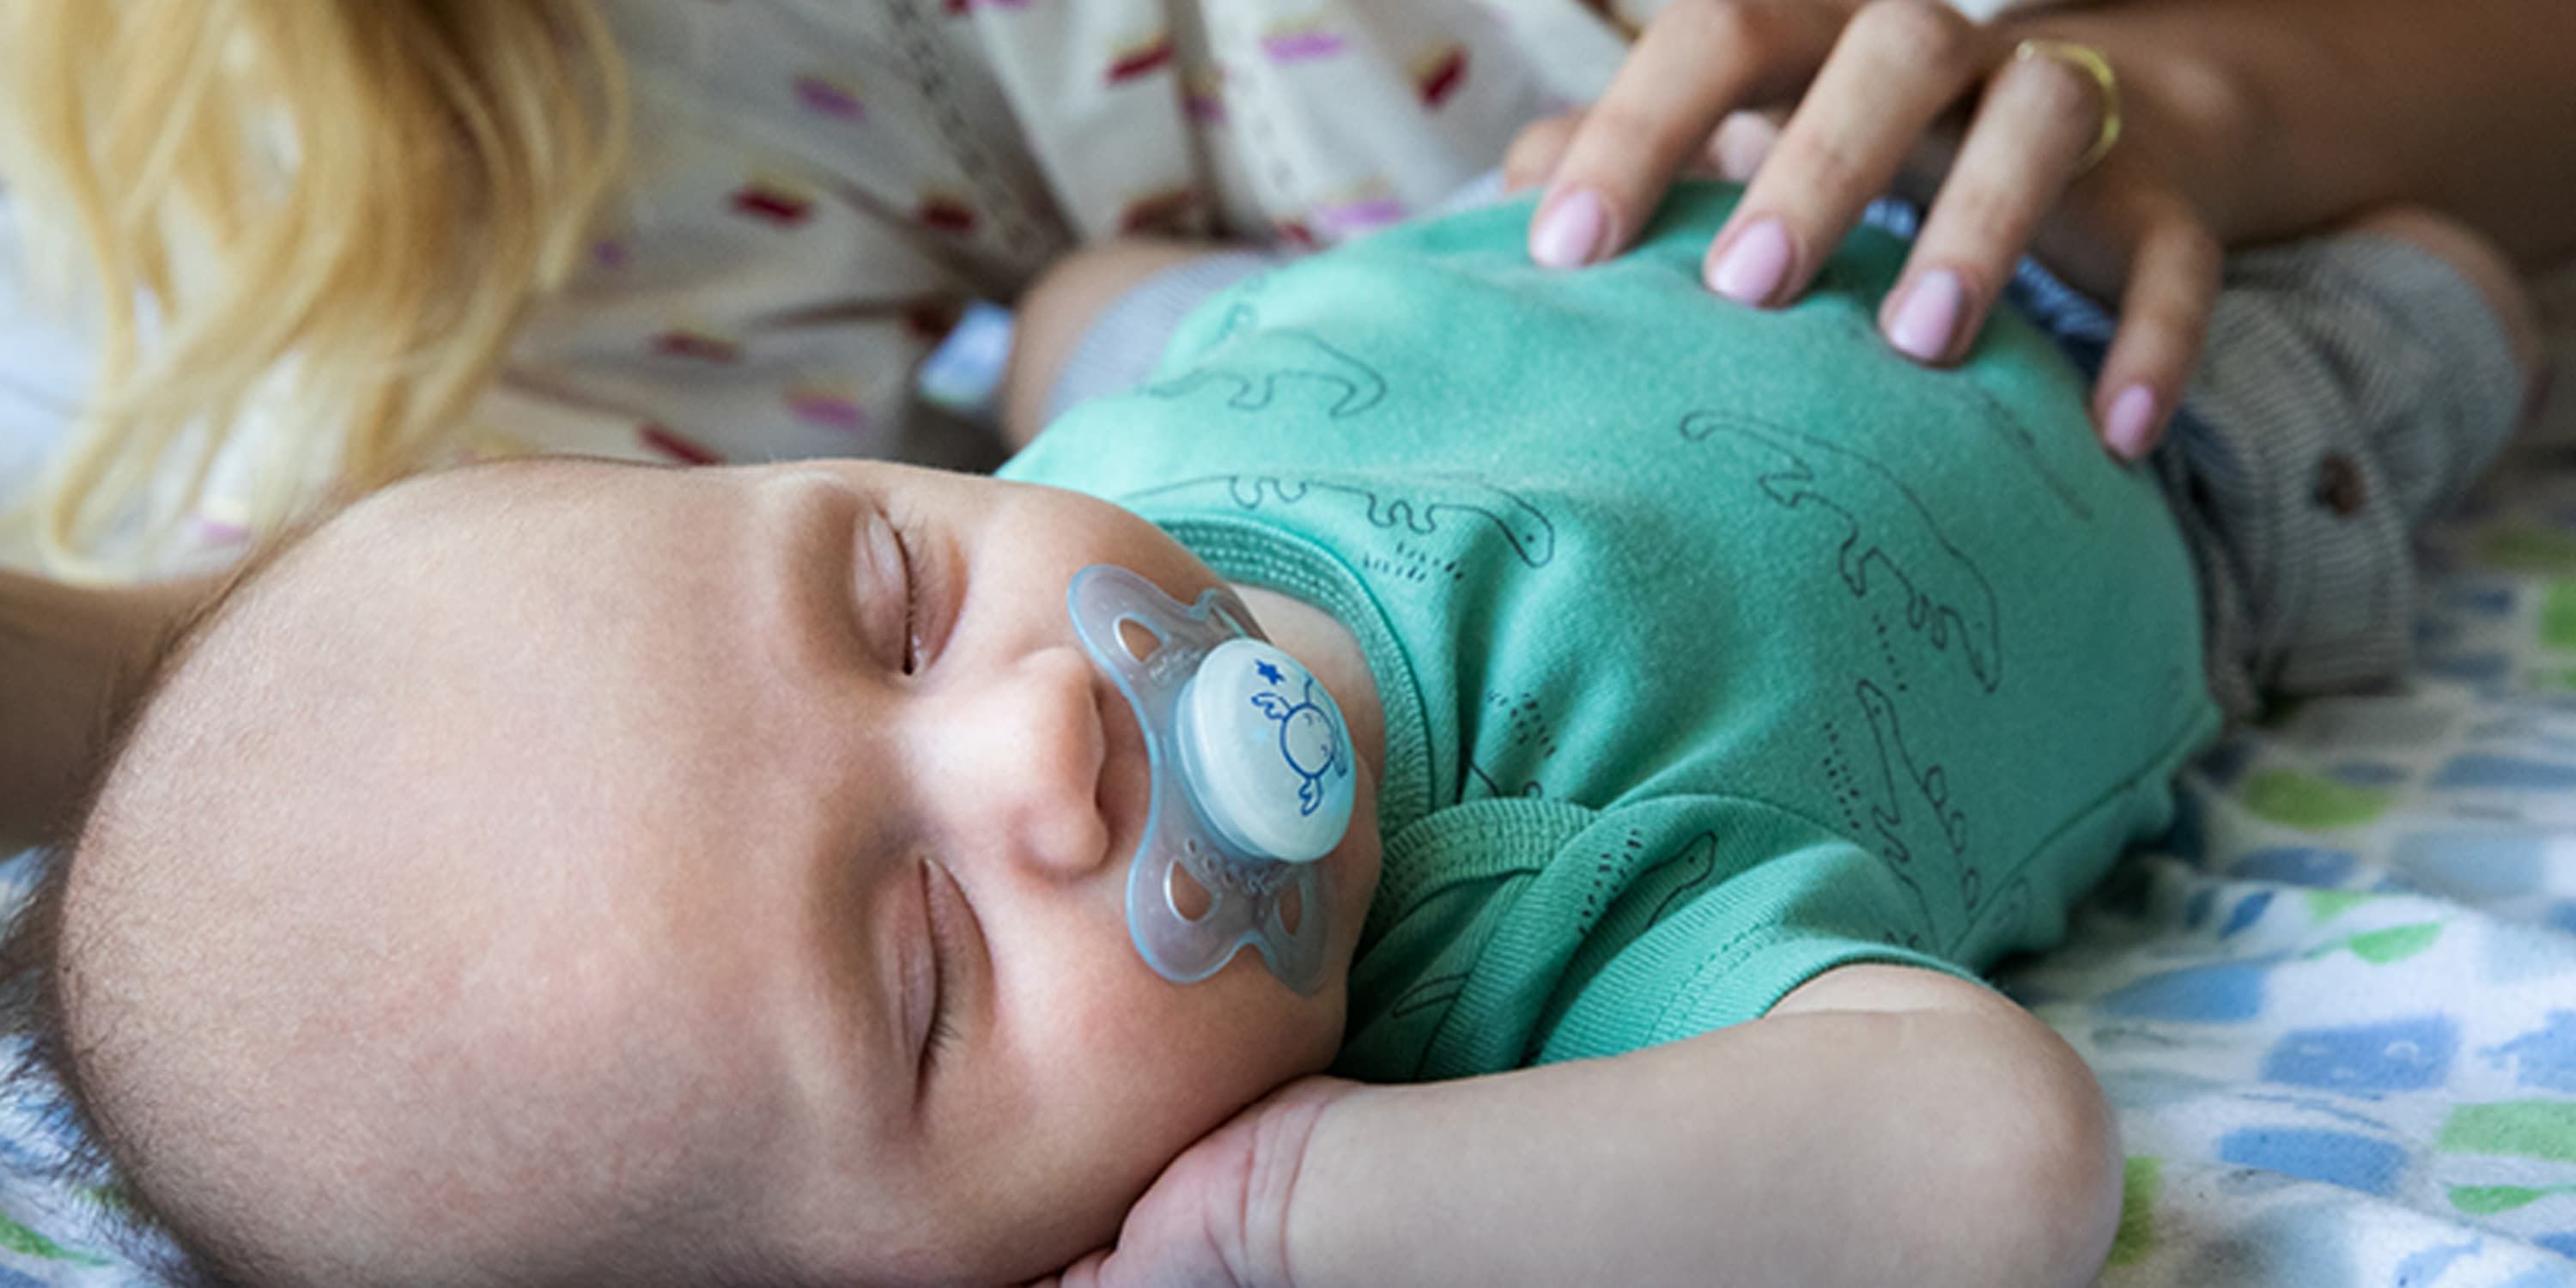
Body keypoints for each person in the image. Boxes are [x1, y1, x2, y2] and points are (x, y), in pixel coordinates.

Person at [0, 167, 2536, 1285]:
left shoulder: (1077, 506)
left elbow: (1142, 389)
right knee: (2463, 285)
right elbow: (2007, 1156)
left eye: (884, 587)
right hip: (2170, 424)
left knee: (1118, 302)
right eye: (924, 977)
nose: (1034, 755)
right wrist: (1302, 1221)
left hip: (1762, 173)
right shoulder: (1517, 964)